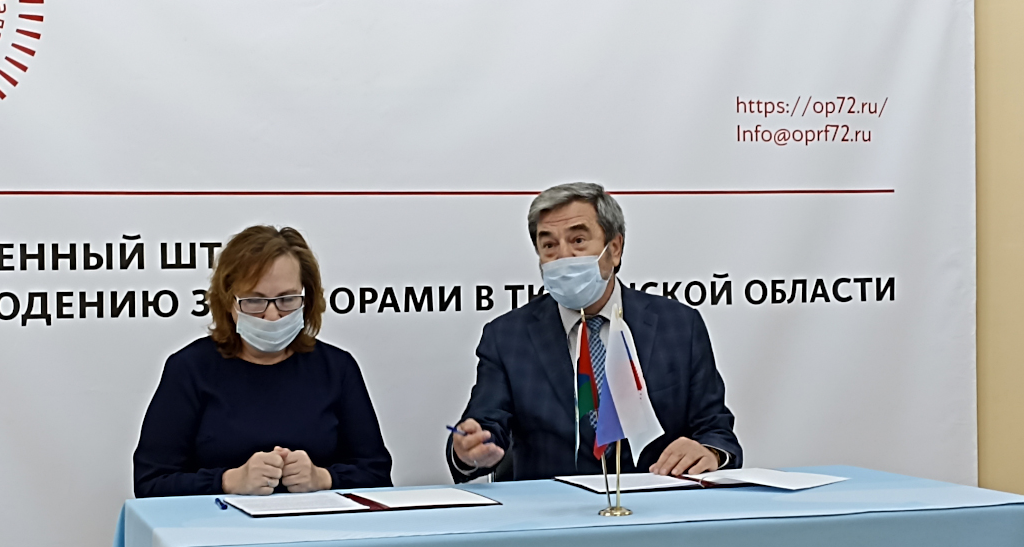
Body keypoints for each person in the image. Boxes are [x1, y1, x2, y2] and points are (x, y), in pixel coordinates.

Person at [447, 182, 741, 481]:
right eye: (549, 245)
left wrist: (710, 451)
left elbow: (716, 430)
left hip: (657, 499)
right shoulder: (507, 337)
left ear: (614, 249)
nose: (563, 256)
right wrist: (469, 450)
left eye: (578, 240)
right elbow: (484, 427)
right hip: (553, 506)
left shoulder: (679, 326)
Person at [134, 225, 392, 497]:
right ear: (228, 301)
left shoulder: (337, 368)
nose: (272, 316)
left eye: (287, 300)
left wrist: (323, 478)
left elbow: (377, 474)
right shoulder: (190, 368)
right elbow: (150, 483)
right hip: (215, 523)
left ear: (307, 299)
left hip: (319, 523)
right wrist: (228, 481)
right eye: (254, 301)